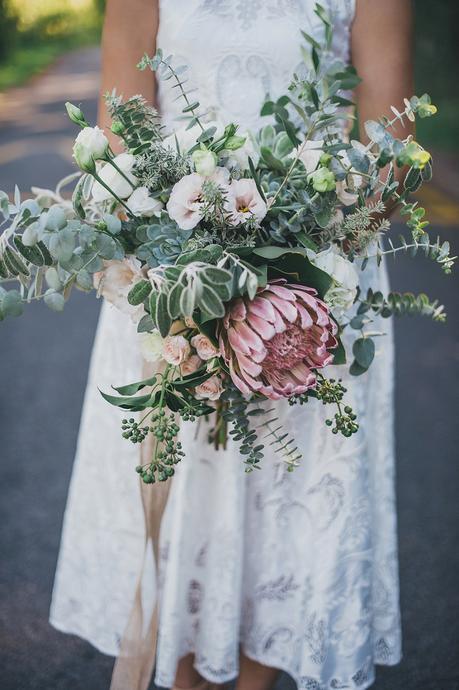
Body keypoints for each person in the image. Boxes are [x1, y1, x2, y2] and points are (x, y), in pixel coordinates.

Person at [50, 1, 413, 689]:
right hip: (172, 274)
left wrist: (290, 261)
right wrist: (184, 263)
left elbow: (390, 136)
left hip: (314, 279)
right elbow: (120, 126)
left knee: (288, 501)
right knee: (183, 489)